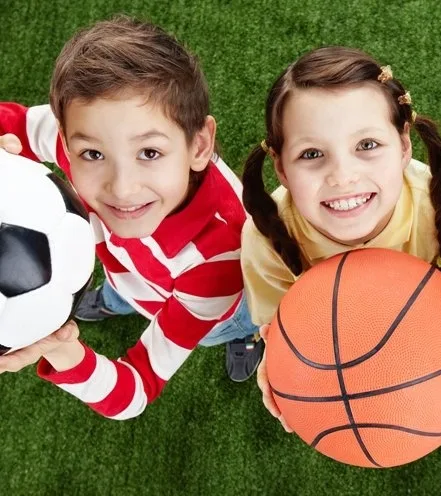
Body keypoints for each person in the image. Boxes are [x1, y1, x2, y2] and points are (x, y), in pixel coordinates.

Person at [0, 16, 262, 419]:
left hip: (214, 308)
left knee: (231, 323)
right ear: (67, 144)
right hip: (127, 271)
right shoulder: (77, 138)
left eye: (149, 153)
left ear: (199, 145)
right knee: (122, 287)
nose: (122, 188)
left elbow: (136, 389)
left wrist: (64, 350)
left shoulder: (216, 262)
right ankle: (116, 298)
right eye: (93, 154)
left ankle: (243, 337)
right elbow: (13, 123)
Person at [239, 46, 441, 431]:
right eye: (311, 153)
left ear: (404, 146)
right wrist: (280, 358)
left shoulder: (439, 202)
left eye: (367, 145)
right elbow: (281, 326)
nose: (343, 177)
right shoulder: (266, 239)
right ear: (282, 168)